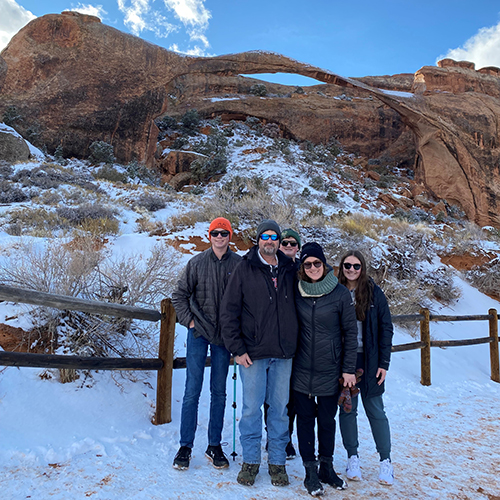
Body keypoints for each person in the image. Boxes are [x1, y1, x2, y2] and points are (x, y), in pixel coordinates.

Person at [221, 219, 298, 487]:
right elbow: (229, 313)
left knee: (279, 411)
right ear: (257, 240)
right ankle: (250, 462)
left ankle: (277, 463)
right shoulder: (244, 268)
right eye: (264, 236)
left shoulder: (291, 269)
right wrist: (237, 349)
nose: (270, 241)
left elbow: (316, 283)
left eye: (274, 236)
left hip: (284, 354)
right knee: (252, 410)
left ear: (279, 241)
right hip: (252, 354)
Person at [171, 217, 241, 470]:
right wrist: (189, 321)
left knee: (219, 392)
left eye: (224, 233)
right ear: (209, 235)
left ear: (229, 236)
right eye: (215, 233)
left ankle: (214, 444)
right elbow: (178, 295)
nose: (220, 237)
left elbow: (246, 301)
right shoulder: (196, 263)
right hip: (199, 334)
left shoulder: (239, 265)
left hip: (224, 338)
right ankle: (185, 446)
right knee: (192, 390)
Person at [292, 242, 358, 496]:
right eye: (307, 264)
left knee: (327, 421)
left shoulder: (340, 294)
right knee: (306, 421)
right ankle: (310, 472)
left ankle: (326, 468)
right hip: (301, 369)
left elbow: (350, 333)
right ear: (302, 266)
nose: (312, 268)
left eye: (316, 263)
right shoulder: (296, 291)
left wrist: (348, 369)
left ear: (324, 264)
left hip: (331, 369)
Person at [337, 250, 395, 486]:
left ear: (363, 268)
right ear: (341, 267)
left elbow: (386, 328)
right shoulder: (335, 291)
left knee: (376, 411)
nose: (351, 270)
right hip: (344, 362)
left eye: (356, 266)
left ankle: (386, 461)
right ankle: (352, 457)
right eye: (347, 266)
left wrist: (384, 363)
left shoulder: (374, 293)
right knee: (348, 409)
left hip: (369, 361)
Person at [264, 227, 302, 459]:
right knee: (272, 394)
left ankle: (286, 438)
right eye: (284, 243)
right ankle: (272, 437)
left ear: (298, 247)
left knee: (292, 395)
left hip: (297, 341)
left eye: (292, 243)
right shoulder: (272, 268)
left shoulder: (303, 269)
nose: (287, 246)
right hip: (273, 340)